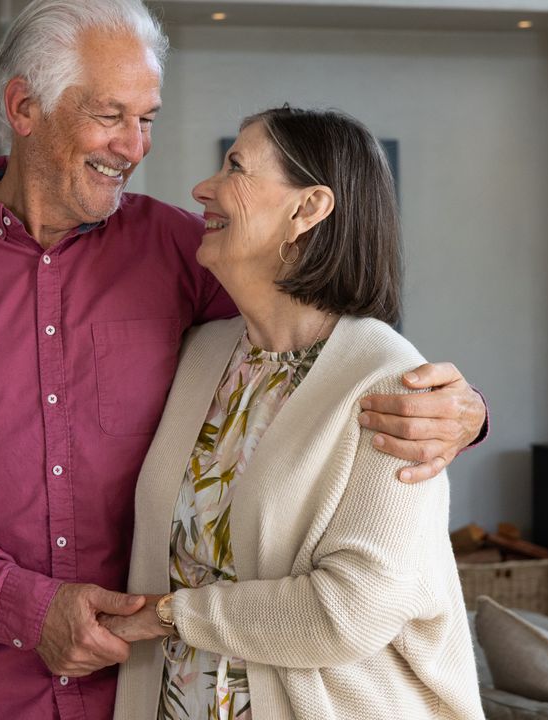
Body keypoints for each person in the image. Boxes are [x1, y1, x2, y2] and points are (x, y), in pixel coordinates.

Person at [0, 1, 487, 717]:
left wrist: (464, 411)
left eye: (147, 119)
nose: (135, 147)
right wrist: (24, 606)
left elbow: (319, 334)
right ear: (24, 107)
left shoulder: (178, 250)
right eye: (111, 115)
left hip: (136, 690)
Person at [105, 107, 485, 720]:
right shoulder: (202, 355)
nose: (203, 188)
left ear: (307, 209)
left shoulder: (390, 381)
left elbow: (349, 612)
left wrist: (168, 614)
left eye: (235, 166)